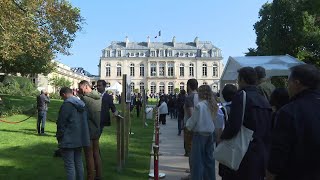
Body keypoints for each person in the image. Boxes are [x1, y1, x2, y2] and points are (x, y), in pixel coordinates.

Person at [266, 64, 320, 180]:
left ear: (297, 83)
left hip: (295, 173)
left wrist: (270, 175)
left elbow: (279, 151)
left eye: (288, 82)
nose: (287, 86)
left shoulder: (288, 112)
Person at [220, 67, 272, 180]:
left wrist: (222, 137)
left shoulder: (241, 96)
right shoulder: (263, 99)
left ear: (242, 79)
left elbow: (234, 125)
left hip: (242, 152)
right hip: (259, 152)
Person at [186, 85, 224, 180]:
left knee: (197, 161)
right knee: (209, 160)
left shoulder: (200, 106)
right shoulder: (213, 105)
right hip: (210, 134)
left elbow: (193, 121)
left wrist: (188, 126)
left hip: (199, 134)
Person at [56, 87, 90, 180]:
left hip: (68, 138)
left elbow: (61, 123)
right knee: (78, 162)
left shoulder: (67, 105)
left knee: (70, 165)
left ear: (64, 94)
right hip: (79, 138)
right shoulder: (82, 104)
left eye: (62, 97)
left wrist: (59, 137)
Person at [78, 80, 102, 180]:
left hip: (88, 129)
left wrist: (80, 97)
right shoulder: (99, 97)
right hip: (97, 128)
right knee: (96, 153)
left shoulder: (85, 99)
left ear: (87, 87)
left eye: (81, 88)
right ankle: (99, 175)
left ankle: (90, 177)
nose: (80, 90)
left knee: (89, 155)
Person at [218, 84, 238, 180]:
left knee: (226, 172)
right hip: (239, 145)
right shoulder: (242, 107)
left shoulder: (222, 110)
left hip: (226, 144)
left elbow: (219, 129)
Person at [182, 78, 199, 180]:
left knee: (191, 151)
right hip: (201, 128)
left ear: (188, 86)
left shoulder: (189, 98)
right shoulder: (201, 96)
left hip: (191, 128)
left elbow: (191, 115)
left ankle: (192, 174)